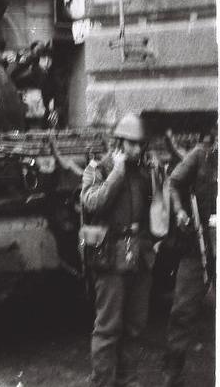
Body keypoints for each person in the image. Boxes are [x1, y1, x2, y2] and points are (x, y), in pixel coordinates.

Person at [80, 113, 155, 387]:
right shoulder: (98, 168)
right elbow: (91, 203)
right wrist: (117, 174)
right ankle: (102, 382)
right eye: (131, 144)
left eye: (140, 144)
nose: (137, 149)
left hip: (138, 255)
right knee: (108, 328)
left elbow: (156, 211)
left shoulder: (145, 171)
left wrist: (157, 177)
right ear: (119, 142)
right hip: (110, 257)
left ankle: (129, 380)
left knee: (135, 326)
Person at [163, 129, 217, 386]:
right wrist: (180, 211)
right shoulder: (199, 156)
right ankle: (172, 373)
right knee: (182, 311)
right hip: (198, 247)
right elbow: (174, 182)